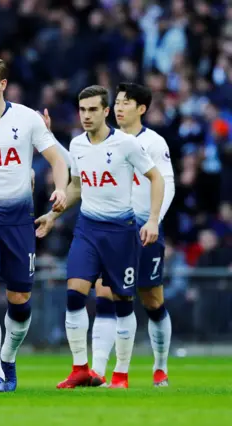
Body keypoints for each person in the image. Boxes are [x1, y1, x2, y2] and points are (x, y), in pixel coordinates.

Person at [34, 85, 165, 389]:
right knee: (74, 294)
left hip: (121, 233)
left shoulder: (126, 144)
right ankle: (80, 367)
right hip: (88, 229)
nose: (86, 115)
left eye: (93, 110)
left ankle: (120, 374)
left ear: (106, 112)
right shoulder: (77, 144)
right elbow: (78, 186)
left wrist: (154, 220)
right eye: (82, 110)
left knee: (123, 303)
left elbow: (156, 178)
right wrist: (54, 216)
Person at [0, 54, 69, 392]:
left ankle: (7, 358)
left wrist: (61, 188)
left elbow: (57, 159)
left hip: (19, 221)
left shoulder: (27, 119)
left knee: (20, 301)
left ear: (2, 84)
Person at [89, 82, 175, 387]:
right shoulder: (102, 140)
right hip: (110, 230)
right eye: (118, 102)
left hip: (144, 229)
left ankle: (160, 366)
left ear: (142, 108)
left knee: (151, 299)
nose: (120, 107)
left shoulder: (153, 142)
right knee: (106, 293)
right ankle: (101, 370)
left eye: (127, 102)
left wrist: (154, 221)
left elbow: (167, 183)